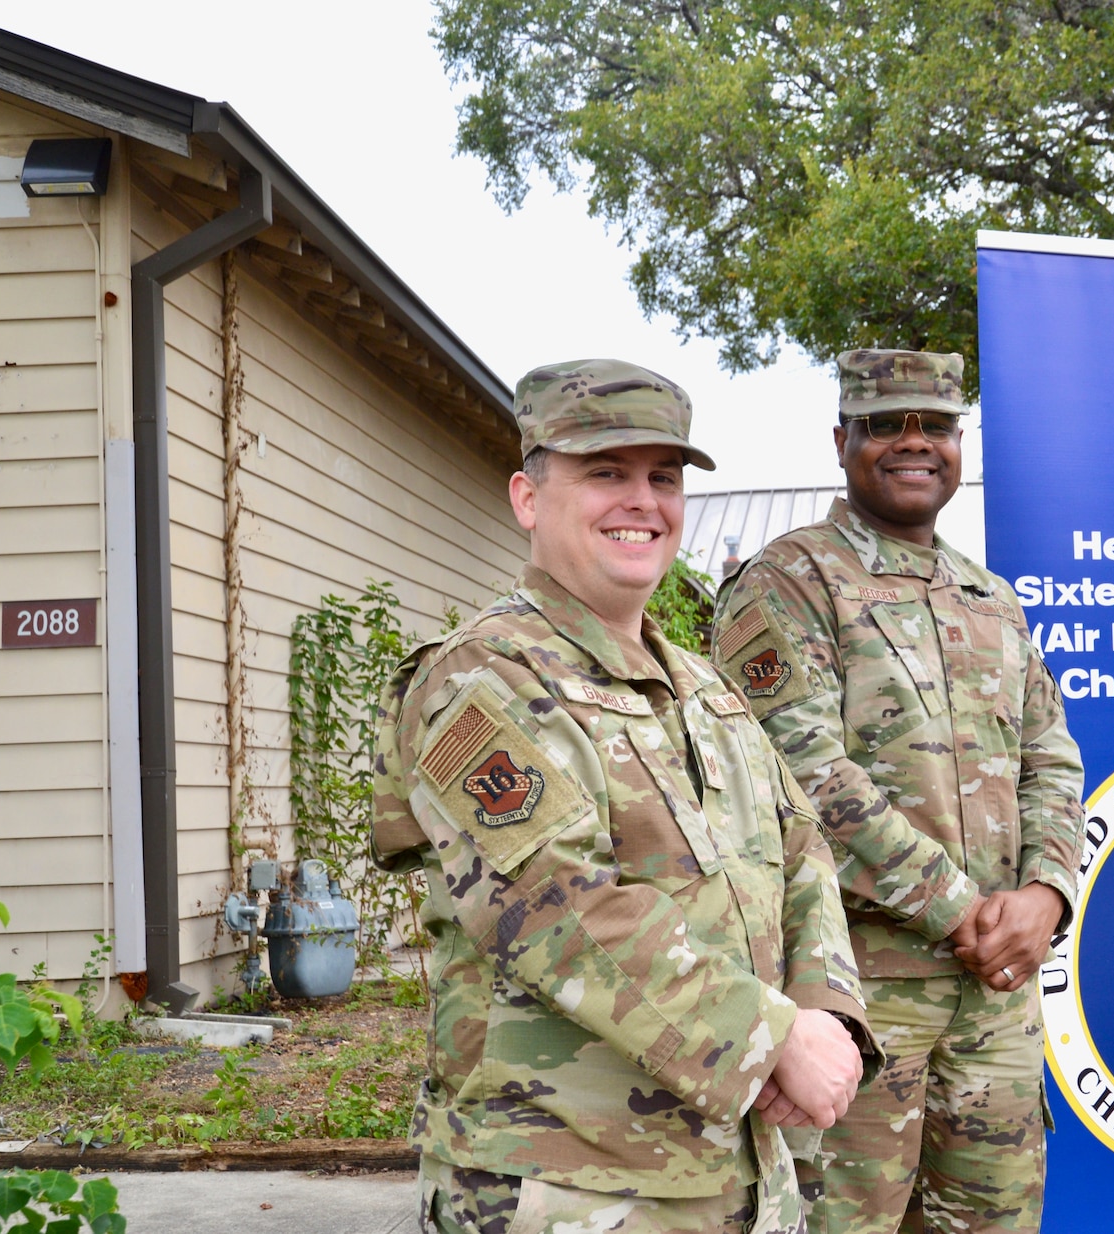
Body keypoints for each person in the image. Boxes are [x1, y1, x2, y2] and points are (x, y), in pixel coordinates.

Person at [372, 360, 874, 1234]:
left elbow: (804, 855)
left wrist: (825, 1013)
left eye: (663, 477)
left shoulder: (704, 691)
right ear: (529, 497)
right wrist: (774, 1042)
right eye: (606, 472)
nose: (642, 500)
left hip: (738, 1175)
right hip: (565, 1189)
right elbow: (562, 911)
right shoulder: (479, 680)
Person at [712, 349, 1086, 1234]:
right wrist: (961, 908)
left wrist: (1048, 893)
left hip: (995, 1002)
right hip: (854, 1000)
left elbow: (1052, 757)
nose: (915, 442)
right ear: (843, 440)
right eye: (887, 424)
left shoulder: (993, 599)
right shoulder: (790, 583)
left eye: (939, 425)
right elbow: (798, 773)